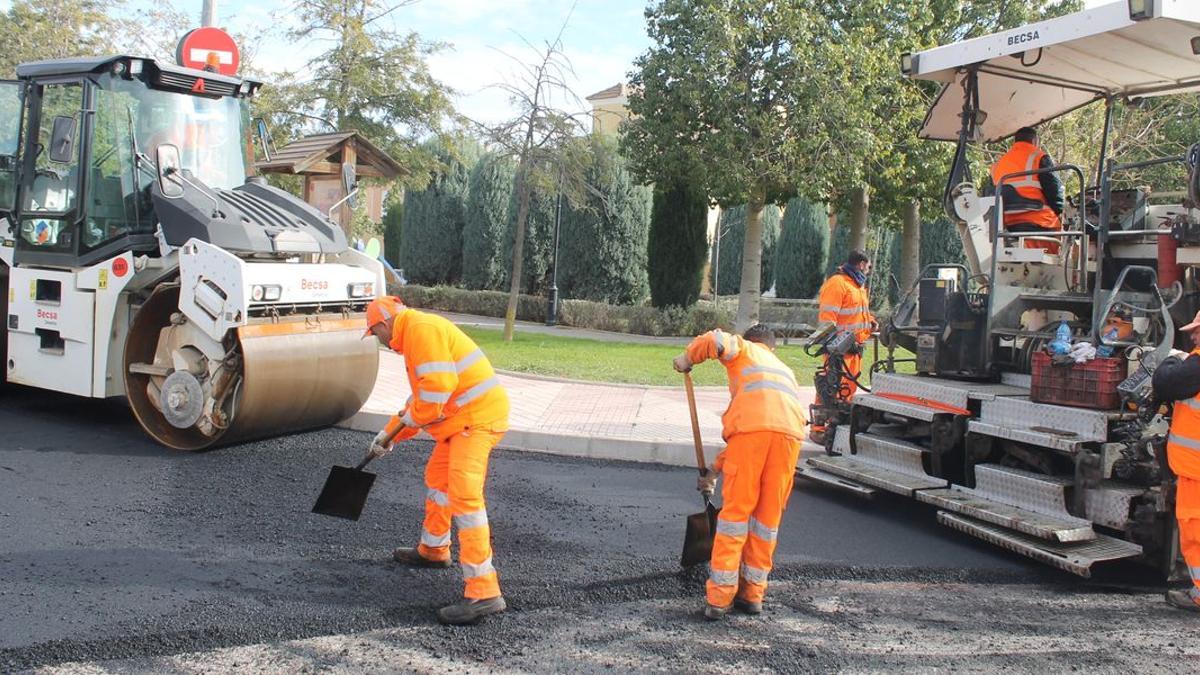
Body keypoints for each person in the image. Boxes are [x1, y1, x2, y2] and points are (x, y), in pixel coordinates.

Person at [363, 296, 510, 625]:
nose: (378, 340)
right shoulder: (414, 333)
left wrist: (410, 421)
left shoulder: (420, 330)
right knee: (438, 480)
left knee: (465, 497)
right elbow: (421, 400)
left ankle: (484, 592)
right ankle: (433, 549)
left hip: (477, 420)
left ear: (383, 324)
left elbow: (435, 394)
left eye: (374, 333)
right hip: (461, 421)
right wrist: (388, 435)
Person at [672, 324, 806, 620]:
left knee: (735, 518)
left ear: (752, 341)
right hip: (789, 442)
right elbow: (762, 430)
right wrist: (713, 472)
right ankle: (752, 594)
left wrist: (687, 358)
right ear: (773, 347)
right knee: (766, 521)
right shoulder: (784, 370)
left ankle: (720, 599)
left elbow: (714, 340)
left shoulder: (745, 349)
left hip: (753, 438)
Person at [1151, 308, 1200, 614]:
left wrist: (1171, 360)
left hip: (1196, 470)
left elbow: (1166, 383)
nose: (1193, 336)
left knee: (1196, 533)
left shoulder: (1195, 366)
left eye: (1197, 331)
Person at [810, 249, 876, 444]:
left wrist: (871, 322)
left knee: (847, 390)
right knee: (829, 389)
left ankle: (837, 426)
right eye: (868, 266)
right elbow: (827, 320)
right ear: (862, 264)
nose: (869, 269)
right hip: (839, 350)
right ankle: (819, 429)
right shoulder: (838, 284)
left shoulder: (857, 286)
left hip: (853, 350)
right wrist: (836, 345)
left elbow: (858, 313)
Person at [990, 126, 1065, 254]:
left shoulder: (998, 164)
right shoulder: (1039, 157)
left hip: (1005, 223)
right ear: (1035, 141)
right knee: (1063, 231)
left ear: (1015, 141)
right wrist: (1060, 211)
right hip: (1037, 220)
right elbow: (1055, 193)